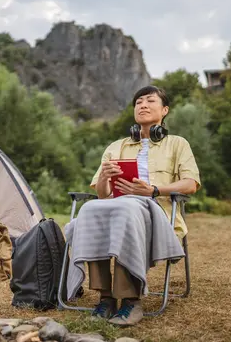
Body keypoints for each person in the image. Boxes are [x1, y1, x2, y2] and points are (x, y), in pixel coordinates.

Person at [84, 85, 201, 326]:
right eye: (138, 102)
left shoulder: (178, 144)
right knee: (90, 208)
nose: (143, 105)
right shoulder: (114, 148)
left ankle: (129, 301)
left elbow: (191, 184)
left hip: (157, 213)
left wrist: (154, 190)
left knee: (128, 209)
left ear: (165, 110)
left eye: (150, 101)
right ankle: (106, 298)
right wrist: (105, 178)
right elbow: (102, 194)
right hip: (117, 210)